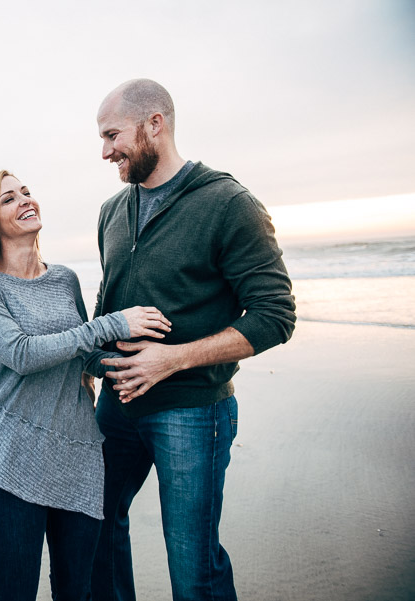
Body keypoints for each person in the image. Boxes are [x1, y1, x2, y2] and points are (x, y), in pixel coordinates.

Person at [89, 79, 296, 601]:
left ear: (154, 124)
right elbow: (106, 304)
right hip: (117, 409)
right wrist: (87, 362)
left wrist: (171, 360)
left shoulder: (228, 203)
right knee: (93, 529)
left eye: (113, 135)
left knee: (192, 567)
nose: (106, 150)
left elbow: (275, 315)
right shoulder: (112, 212)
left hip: (193, 412)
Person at [0, 170, 171, 601]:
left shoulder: (64, 278)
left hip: (79, 458)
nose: (25, 201)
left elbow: (80, 354)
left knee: (77, 592)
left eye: (27, 192)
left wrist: (132, 365)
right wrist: (111, 323)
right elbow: (23, 354)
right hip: (15, 463)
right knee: (15, 595)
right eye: (9, 199)